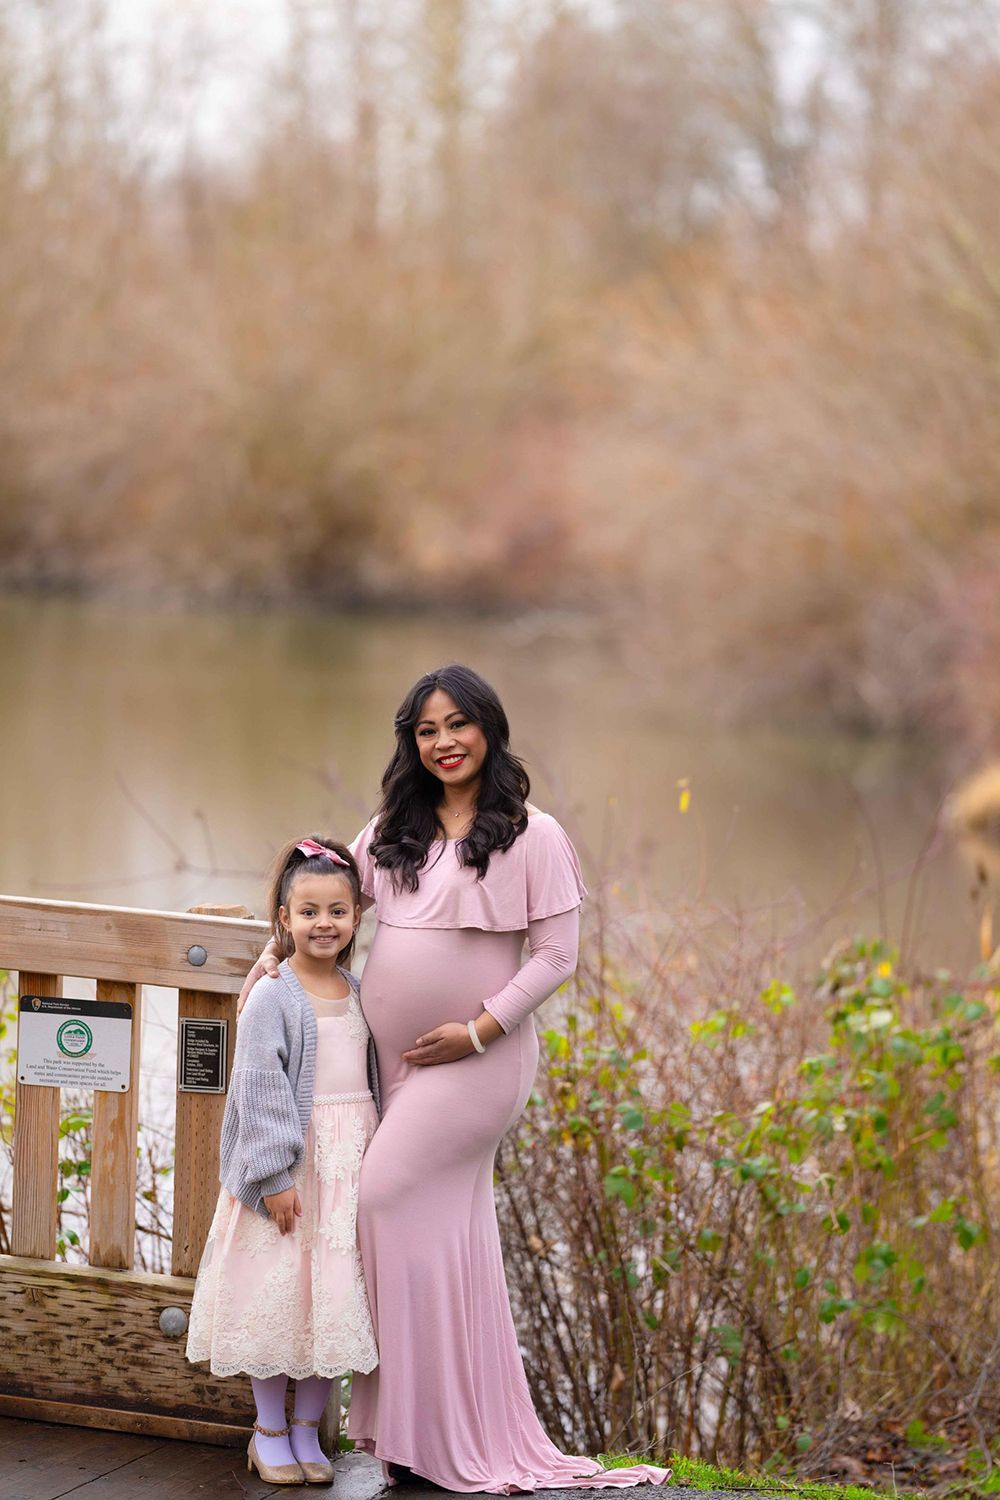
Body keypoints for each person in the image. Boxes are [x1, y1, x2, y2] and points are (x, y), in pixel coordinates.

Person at [245, 664, 669, 1492]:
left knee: (380, 1198)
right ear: (411, 740)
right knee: (437, 1241)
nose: (443, 743)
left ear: (490, 728)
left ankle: (419, 1430)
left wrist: (478, 1030)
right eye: (426, 730)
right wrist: (270, 957)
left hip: (478, 1065)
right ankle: (418, 1437)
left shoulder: (532, 834)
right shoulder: (392, 827)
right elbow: (327, 902)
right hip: (393, 1070)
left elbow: (555, 956)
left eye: (458, 725)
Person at [187, 836, 380, 1487]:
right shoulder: (275, 993)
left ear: (357, 916)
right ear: (283, 918)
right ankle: (269, 1429)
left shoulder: (359, 990)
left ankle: (308, 1431)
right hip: (293, 1171)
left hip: (346, 1172)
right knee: (276, 1297)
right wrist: (273, 1178)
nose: (323, 924)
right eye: (308, 912)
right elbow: (261, 1090)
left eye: (337, 911)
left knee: (328, 1299)